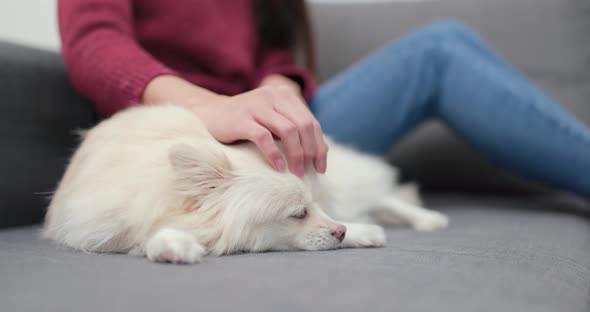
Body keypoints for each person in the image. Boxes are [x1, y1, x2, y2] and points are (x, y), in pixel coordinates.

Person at [58, 0, 590, 197]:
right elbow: (92, 41)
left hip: (266, 127)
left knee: (444, 47)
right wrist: (205, 108)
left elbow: (266, 51)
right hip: (188, 138)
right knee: (441, 51)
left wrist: (279, 86)